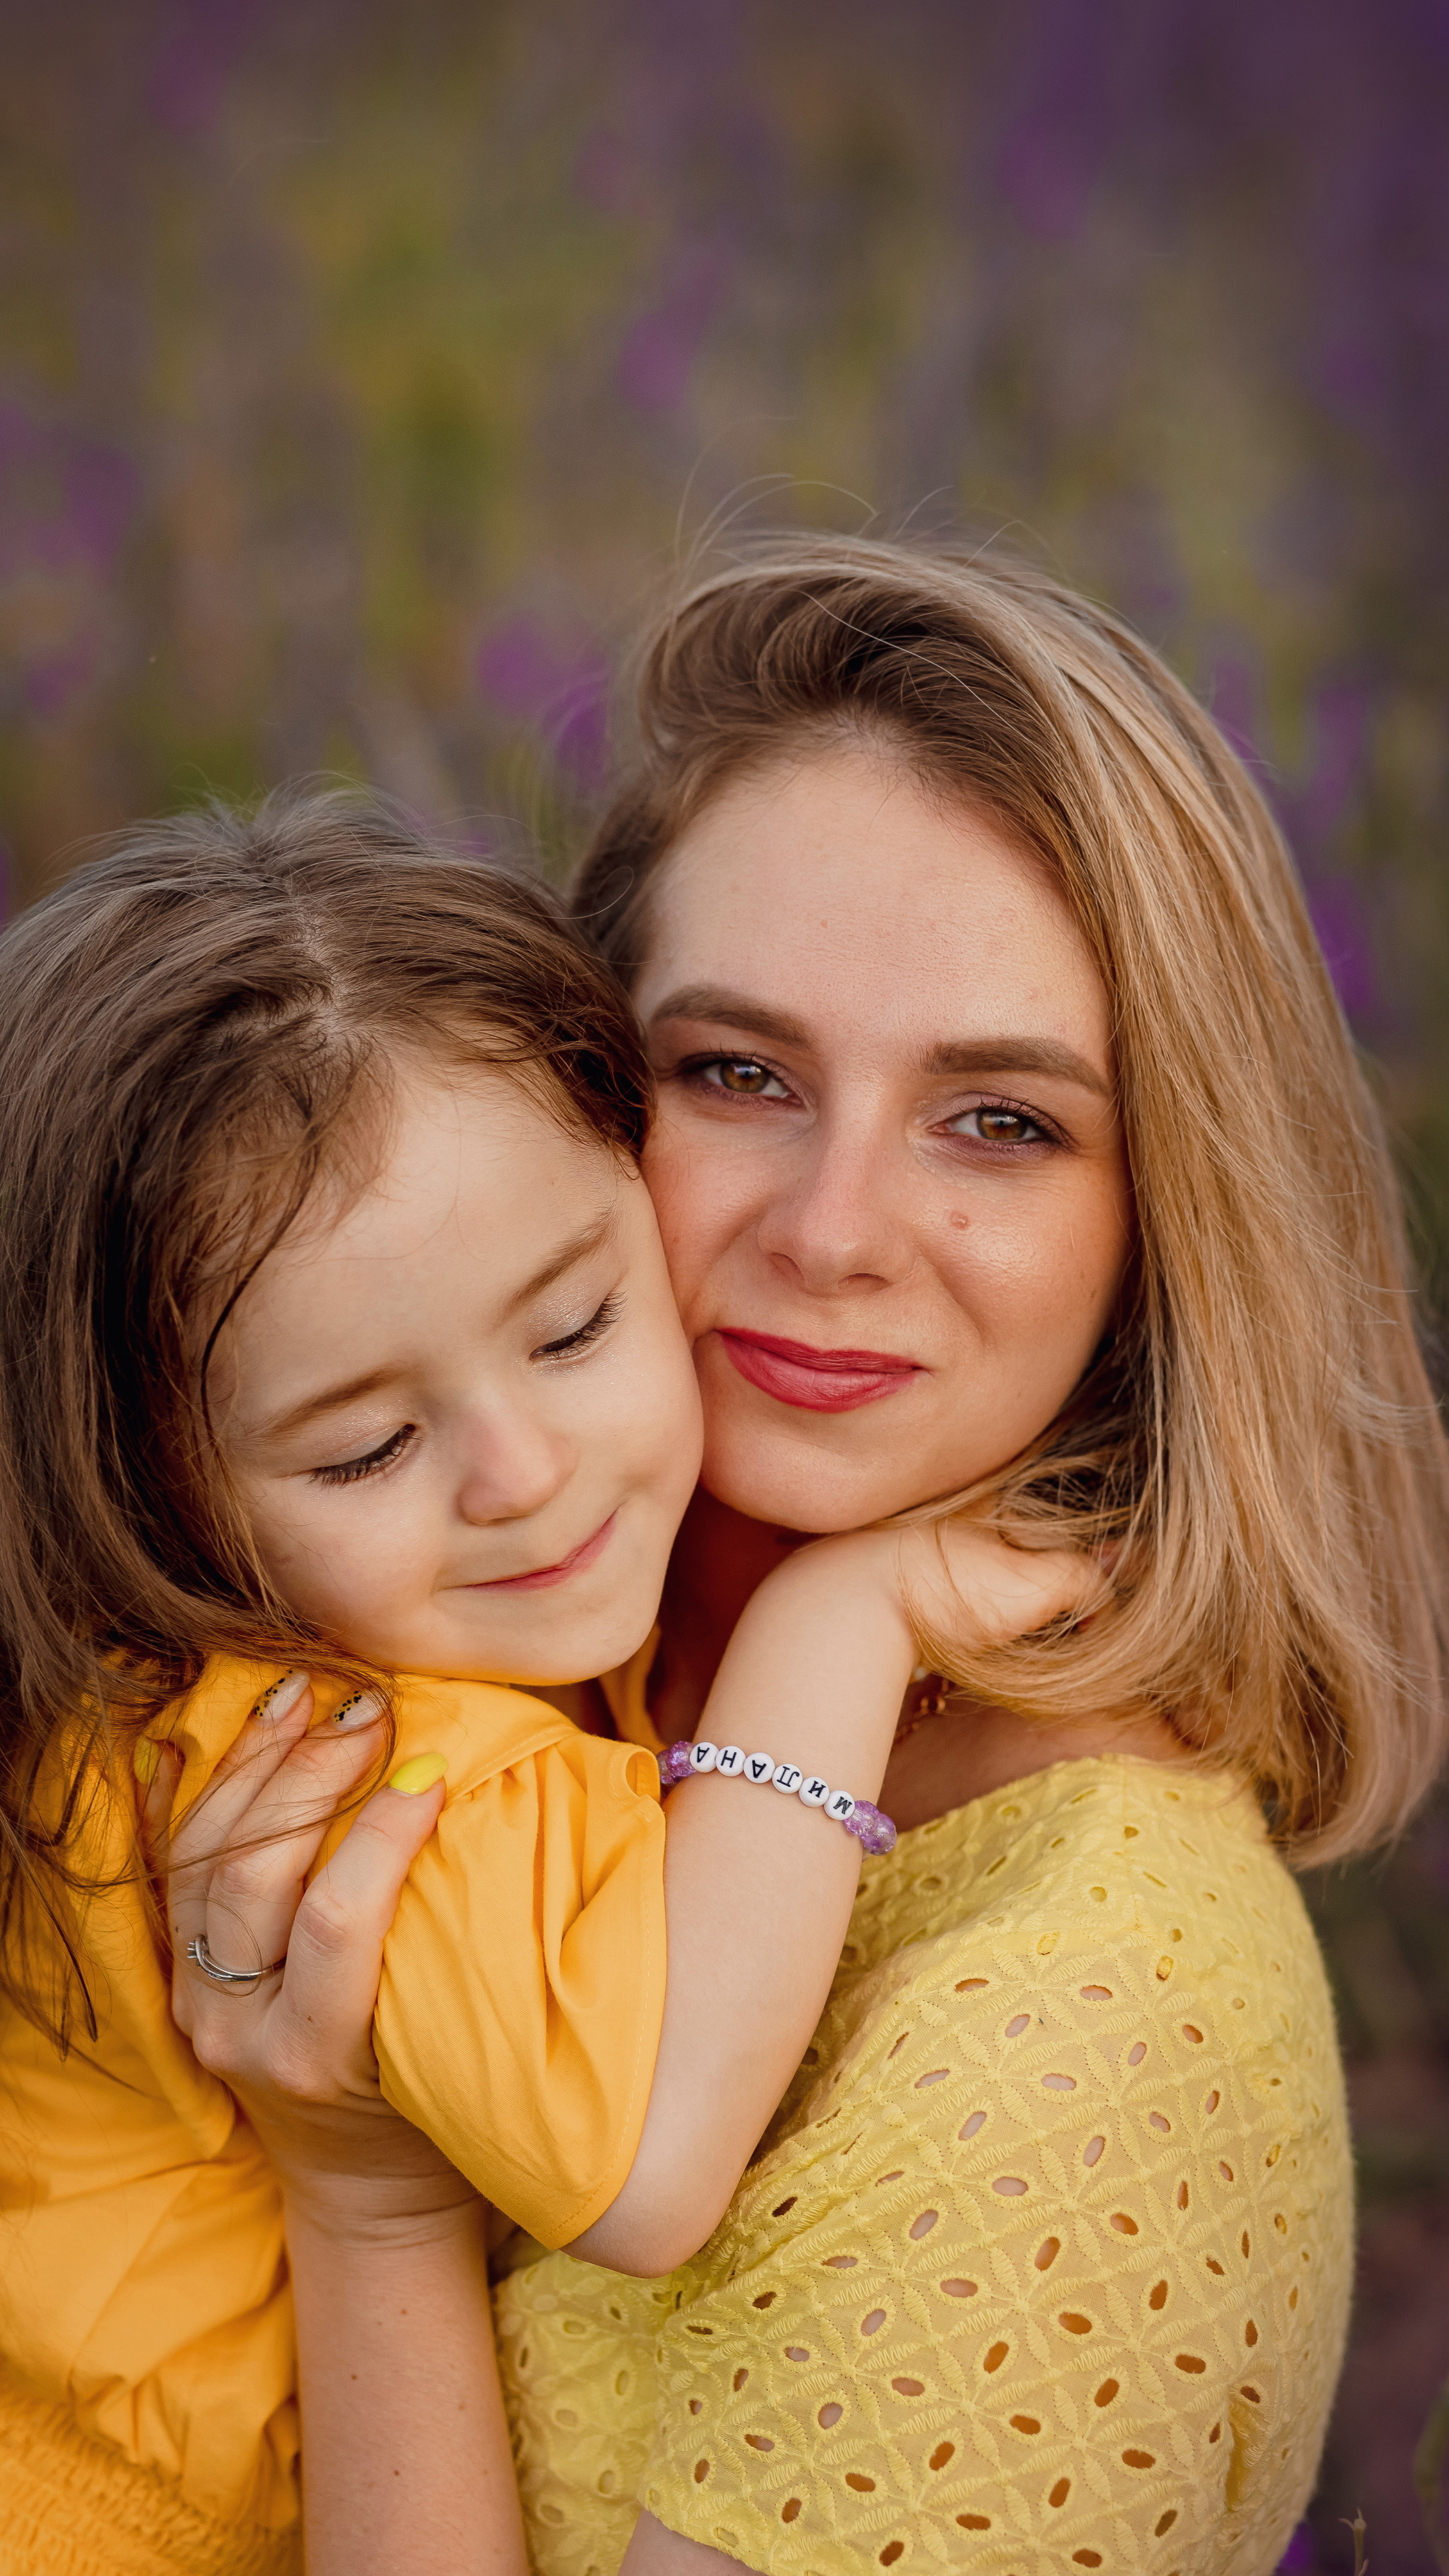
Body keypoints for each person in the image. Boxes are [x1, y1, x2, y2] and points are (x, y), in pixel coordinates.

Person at [189, 536, 1448, 2576]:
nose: (834, 1226)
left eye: (1002, 1123)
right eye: (738, 1074)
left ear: (1167, 1219)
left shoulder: (1092, 2030)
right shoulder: (462, 1617)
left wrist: (372, 2199)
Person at [0, 793, 1102, 2576]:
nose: (523, 1471)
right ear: (158, 1494)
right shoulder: (357, 1772)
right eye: (363, 1445)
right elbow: (655, 2163)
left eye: (579, 1326)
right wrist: (848, 1614)